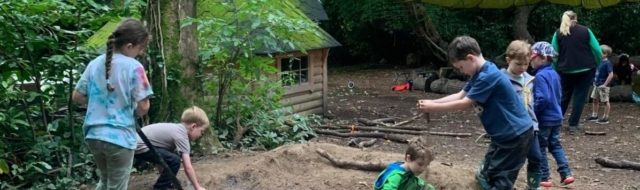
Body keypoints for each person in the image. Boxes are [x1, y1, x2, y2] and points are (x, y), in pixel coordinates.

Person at [417, 36, 533, 190]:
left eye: (460, 67)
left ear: (470, 58)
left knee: (501, 178)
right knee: (488, 172)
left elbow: (465, 104)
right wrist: (432, 102)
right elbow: (460, 95)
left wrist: (433, 108)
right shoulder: (478, 75)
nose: (461, 71)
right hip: (503, 136)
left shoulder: (488, 76)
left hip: (516, 135)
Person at [72, 18, 153, 190]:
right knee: (116, 186)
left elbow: (77, 97)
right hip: (119, 137)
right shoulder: (134, 67)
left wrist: (97, 101)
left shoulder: (94, 64)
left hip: (93, 135)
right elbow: (143, 107)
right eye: (140, 49)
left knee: (106, 180)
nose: (140, 53)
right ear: (130, 46)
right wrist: (130, 109)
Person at [530, 41, 574, 187]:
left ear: (543, 58)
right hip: (557, 117)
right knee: (555, 145)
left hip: (545, 119)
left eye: (533, 56)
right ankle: (566, 173)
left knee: (541, 147)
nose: (530, 59)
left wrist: (533, 112)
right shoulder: (554, 74)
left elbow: (543, 98)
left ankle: (544, 177)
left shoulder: (540, 76)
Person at [551, 10, 603, 133]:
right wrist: (596, 63)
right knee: (579, 98)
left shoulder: (558, 33)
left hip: (565, 70)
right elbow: (597, 50)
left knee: (563, 97)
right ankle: (573, 125)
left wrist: (556, 68)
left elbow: (553, 54)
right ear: (576, 18)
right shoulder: (586, 31)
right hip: (585, 69)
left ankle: (555, 123)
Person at [501, 40, 542, 190]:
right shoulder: (501, 79)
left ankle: (533, 186)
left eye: (526, 64)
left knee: (536, 157)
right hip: (511, 128)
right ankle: (500, 182)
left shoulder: (530, 80)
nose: (523, 68)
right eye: (518, 64)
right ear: (508, 60)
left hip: (531, 127)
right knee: (510, 160)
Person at [135, 106, 209, 190]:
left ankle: (165, 184)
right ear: (193, 126)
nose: (200, 135)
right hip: (141, 146)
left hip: (136, 144)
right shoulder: (182, 136)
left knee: (170, 157)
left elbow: (161, 158)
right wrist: (197, 187)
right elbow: (188, 167)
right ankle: (159, 188)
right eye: (201, 131)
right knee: (175, 160)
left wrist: (162, 174)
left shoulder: (176, 129)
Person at [587, 45, 614, 124]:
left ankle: (606, 117)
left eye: (599, 52)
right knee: (595, 100)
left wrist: (605, 84)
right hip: (596, 84)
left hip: (603, 86)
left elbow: (611, 74)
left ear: (605, 54)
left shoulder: (608, 63)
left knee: (605, 101)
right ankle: (594, 115)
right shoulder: (599, 62)